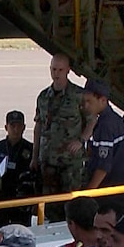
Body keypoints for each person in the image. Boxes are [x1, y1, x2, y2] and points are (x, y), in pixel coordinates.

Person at [33, 53, 88, 194]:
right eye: (53, 69)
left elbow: (92, 120)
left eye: (60, 70)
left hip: (69, 161)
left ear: (68, 70)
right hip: (48, 159)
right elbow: (38, 125)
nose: (56, 74)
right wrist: (35, 157)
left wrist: (81, 140)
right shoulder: (43, 96)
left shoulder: (78, 95)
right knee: (49, 203)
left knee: (70, 201)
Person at [82, 78, 124, 195]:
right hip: (120, 187)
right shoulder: (117, 120)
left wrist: (88, 192)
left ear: (103, 100)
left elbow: (103, 166)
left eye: (89, 101)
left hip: (108, 192)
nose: (85, 106)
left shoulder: (105, 126)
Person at [0, 109, 36, 222]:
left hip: (22, 199)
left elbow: (36, 176)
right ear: (6, 127)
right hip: (1, 197)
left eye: (19, 126)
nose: (15, 129)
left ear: (24, 127)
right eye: (12, 125)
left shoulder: (31, 149)